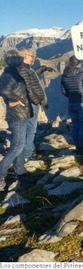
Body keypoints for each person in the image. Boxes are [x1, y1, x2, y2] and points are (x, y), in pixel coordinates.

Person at [0, 50, 34, 191]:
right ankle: (1, 176)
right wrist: (16, 100)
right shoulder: (10, 74)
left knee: (19, 146)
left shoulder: (14, 72)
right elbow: (3, 90)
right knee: (17, 147)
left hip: (22, 115)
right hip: (17, 116)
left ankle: (21, 173)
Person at [17, 47, 56, 161]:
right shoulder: (23, 70)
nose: (33, 58)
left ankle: (31, 148)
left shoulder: (25, 68)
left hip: (29, 103)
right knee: (31, 128)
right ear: (25, 57)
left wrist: (44, 68)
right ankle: (28, 154)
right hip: (30, 103)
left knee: (29, 127)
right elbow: (28, 89)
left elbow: (33, 73)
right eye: (31, 56)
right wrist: (36, 100)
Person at [61, 56, 83, 155]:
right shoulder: (82, 74)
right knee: (82, 127)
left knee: (75, 126)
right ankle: (81, 149)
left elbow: (63, 91)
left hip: (71, 103)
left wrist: (71, 96)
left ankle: (77, 147)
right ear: (79, 63)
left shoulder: (65, 74)